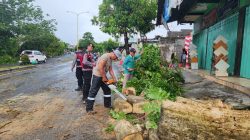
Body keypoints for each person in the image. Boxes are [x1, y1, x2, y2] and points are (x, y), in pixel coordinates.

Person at [86, 49, 122, 114]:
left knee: (107, 90)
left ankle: (107, 105)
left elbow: (110, 70)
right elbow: (100, 67)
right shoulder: (105, 57)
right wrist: (104, 77)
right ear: (113, 54)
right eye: (116, 57)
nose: (116, 59)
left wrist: (114, 79)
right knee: (93, 91)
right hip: (97, 76)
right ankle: (89, 109)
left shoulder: (110, 59)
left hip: (103, 75)